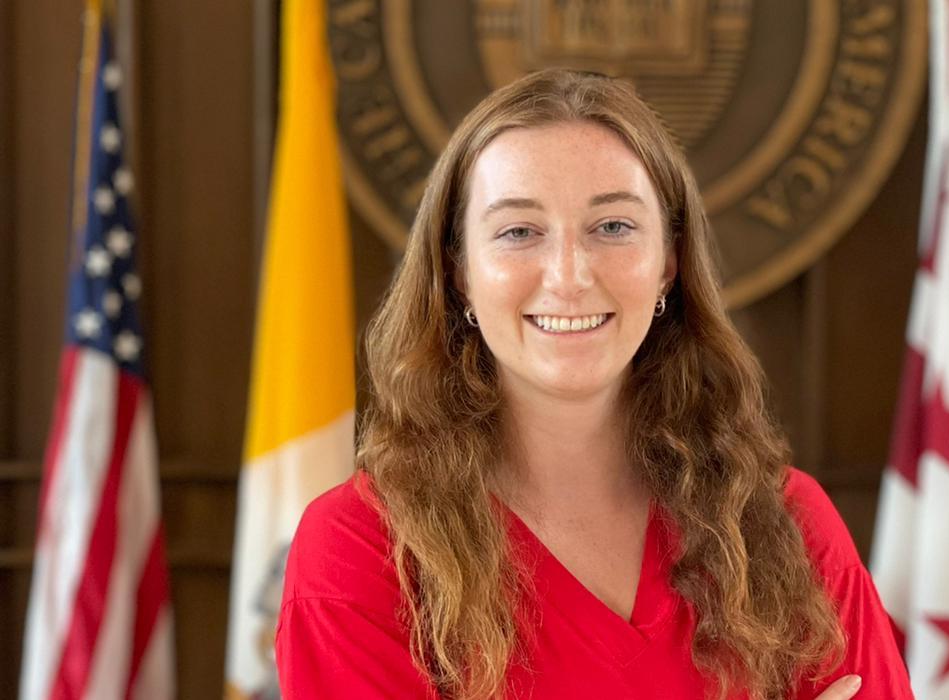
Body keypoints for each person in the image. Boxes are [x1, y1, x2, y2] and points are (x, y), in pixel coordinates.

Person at [275, 68, 912, 700]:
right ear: (459, 272)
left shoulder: (786, 525)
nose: (569, 275)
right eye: (518, 232)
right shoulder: (360, 551)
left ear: (669, 262)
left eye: (613, 227)